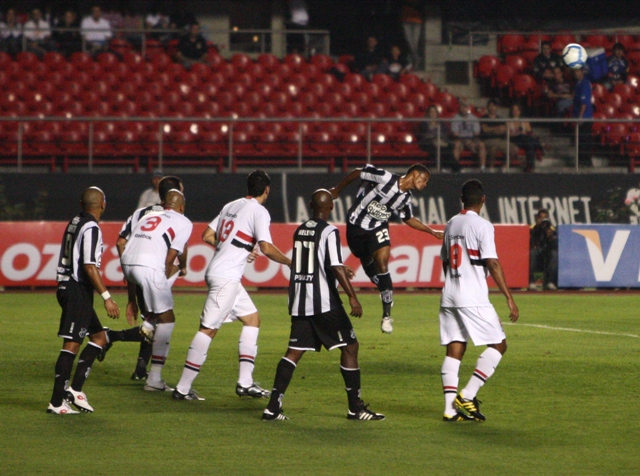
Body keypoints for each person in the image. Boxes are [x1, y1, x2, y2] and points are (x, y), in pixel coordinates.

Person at [262, 189, 384, 421]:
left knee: (293, 352)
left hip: (300, 299)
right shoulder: (329, 231)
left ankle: (272, 407)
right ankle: (355, 408)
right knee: (350, 346)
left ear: (310, 204)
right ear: (331, 207)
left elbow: (312, 262)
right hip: (324, 302)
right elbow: (336, 267)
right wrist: (352, 296)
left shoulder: (300, 230)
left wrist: (337, 267)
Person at [173, 170, 292, 401]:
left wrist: (234, 248)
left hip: (225, 275)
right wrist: (291, 262)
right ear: (267, 189)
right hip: (226, 277)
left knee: (252, 319)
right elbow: (267, 248)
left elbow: (208, 235)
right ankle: (182, 388)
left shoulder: (231, 205)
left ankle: (245, 383)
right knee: (208, 329)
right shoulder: (259, 211)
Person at [438, 179, 519, 422]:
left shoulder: (452, 223)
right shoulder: (483, 226)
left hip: (449, 294)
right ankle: (467, 394)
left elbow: (444, 260)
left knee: (455, 348)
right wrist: (509, 297)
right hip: (472, 296)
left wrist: (454, 281)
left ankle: (449, 410)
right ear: (483, 200)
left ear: (462, 200)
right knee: (499, 344)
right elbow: (492, 262)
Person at [329, 163, 443, 334]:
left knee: (382, 263)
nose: (425, 184)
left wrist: (432, 232)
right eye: (424, 179)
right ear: (414, 174)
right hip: (356, 226)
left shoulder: (405, 198)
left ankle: (387, 316)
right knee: (365, 260)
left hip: (378, 227)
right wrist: (337, 189)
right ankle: (384, 288)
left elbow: (408, 218)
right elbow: (358, 173)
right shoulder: (384, 177)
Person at [98, 175, 184, 381]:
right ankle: (111, 336)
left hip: (137, 270)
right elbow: (178, 249)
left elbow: (120, 243)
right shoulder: (173, 217)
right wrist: (180, 266)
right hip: (155, 273)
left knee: (151, 322)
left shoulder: (140, 213)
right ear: (175, 195)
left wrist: (130, 276)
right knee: (157, 323)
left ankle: (140, 370)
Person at [47, 187, 120, 414]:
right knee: (72, 344)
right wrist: (107, 297)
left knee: (99, 338)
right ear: (103, 204)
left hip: (71, 287)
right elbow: (89, 266)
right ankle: (57, 402)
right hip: (76, 289)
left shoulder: (75, 221)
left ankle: (75, 390)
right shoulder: (91, 228)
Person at [121, 189, 193, 392]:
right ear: (181, 206)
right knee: (167, 318)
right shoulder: (183, 221)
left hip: (127, 264)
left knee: (159, 305)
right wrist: (162, 278)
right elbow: (172, 255)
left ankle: (149, 318)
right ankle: (154, 379)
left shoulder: (148, 216)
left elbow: (128, 248)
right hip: (149, 267)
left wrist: (131, 300)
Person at [418, 105, 460, 172]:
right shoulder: (424, 123)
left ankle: (454, 168)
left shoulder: (441, 123)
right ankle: (446, 167)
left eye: (435, 112)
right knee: (439, 149)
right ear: (428, 113)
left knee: (449, 148)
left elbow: (445, 132)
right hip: (428, 142)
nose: (433, 114)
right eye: (431, 112)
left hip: (440, 141)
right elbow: (424, 134)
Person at [480, 99, 518, 170]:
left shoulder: (500, 119)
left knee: (515, 149)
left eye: (494, 106)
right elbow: (485, 129)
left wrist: (497, 130)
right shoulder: (484, 118)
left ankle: (504, 167)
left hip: (500, 140)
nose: (492, 108)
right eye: (490, 106)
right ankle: (491, 168)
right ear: (487, 107)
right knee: (493, 148)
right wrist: (497, 129)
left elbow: (504, 130)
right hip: (489, 140)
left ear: (497, 107)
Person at [450, 102, 487, 171]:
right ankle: (456, 168)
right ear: (459, 108)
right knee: (457, 145)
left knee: (481, 145)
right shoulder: (455, 118)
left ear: (468, 108)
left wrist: (470, 141)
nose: (464, 109)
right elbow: (455, 133)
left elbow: (476, 132)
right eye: (462, 107)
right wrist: (465, 140)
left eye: (465, 107)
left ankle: (482, 167)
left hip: (472, 139)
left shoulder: (474, 118)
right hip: (460, 140)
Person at [508, 103, 543, 173]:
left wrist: (522, 132)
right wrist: (520, 132)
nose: (515, 112)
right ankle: (541, 145)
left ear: (520, 111)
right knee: (524, 138)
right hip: (515, 140)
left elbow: (530, 132)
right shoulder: (508, 121)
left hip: (525, 140)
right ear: (511, 111)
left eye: (517, 110)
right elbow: (509, 134)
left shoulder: (525, 121)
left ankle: (531, 168)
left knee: (530, 145)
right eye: (514, 110)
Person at [529, 209, 558, 291]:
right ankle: (531, 282)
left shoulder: (551, 229)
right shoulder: (532, 228)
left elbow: (556, 243)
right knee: (532, 253)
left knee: (554, 254)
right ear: (537, 218)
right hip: (536, 254)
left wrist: (551, 237)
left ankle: (550, 282)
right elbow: (528, 241)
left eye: (545, 218)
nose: (543, 220)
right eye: (540, 218)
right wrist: (536, 228)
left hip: (547, 255)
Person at [572, 66, 594, 168]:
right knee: (580, 141)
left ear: (582, 72)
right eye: (574, 71)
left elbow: (584, 103)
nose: (575, 73)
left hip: (585, 118)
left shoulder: (584, 84)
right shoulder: (578, 83)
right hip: (579, 116)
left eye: (577, 71)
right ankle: (581, 162)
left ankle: (587, 163)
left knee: (584, 141)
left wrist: (580, 117)